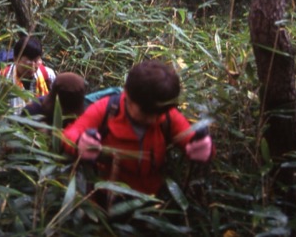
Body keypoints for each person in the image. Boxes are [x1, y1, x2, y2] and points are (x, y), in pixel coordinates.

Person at [62, 60, 213, 196]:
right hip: (105, 199)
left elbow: (190, 140)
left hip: (150, 202)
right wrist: (80, 143)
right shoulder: (107, 109)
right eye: (146, 112)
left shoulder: (168, 116)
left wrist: (203, 149)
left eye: (159, 113)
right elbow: (70, 133)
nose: (153, 119)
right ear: (127, 94)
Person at [0, 35, 57, 111]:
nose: (32, 66)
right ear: (16, 59)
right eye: (29, 61)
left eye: (36, 61)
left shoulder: (48, 74)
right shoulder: (2, 78)